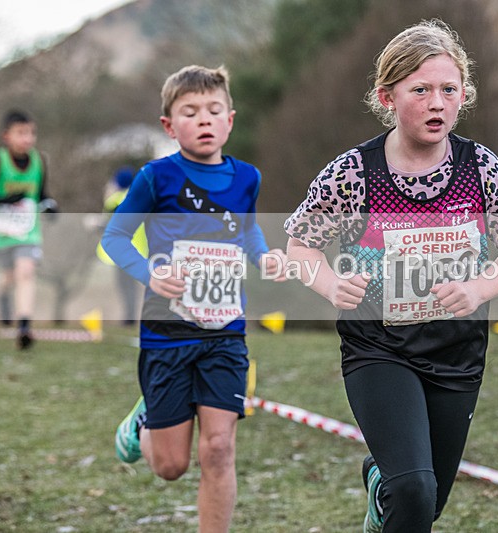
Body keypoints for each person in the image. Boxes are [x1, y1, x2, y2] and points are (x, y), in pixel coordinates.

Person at [284, 19, 498, 532]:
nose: (437, 103)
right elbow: (299, 247)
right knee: (414, 489)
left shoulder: (482, 169)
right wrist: (331, 283)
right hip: (379, 349)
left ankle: (383, 484)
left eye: (449, 90)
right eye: (420, 90)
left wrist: (478, 287)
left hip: (457, 353)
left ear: (464, 95)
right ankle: (393, 481)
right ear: (387, 96)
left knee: (423, 504)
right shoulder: (353, 173)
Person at [102, 65, 286, 533]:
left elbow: (246, 234)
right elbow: (115, 238)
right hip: (168, 334)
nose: (204, 119)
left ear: (230, 120)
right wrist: (150, 272)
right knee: (170, 466)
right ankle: (143, 420)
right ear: (169, 125)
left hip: (225, 333)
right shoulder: (155, 177)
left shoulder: (247, 178)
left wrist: (264, 259)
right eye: (190, 111)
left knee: (219, 448)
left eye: (213, 110)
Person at [0, 109, 58, 349]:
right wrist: (4, 199)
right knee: (9, 277)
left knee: (26, 271)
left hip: (28, 230)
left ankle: (24, 326)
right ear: (7, 136)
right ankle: (3, 295)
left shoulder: (39, 160)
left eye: (31, 133)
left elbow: (42, 195)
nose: (27, 138)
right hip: (2, 230)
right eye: (21, 133)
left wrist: (50, 207)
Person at [96, 165, 146, 325]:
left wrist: (95, 224)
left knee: (125, 286)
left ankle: (129, 317)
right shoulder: (136, 196)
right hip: (138, 248)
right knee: (131, 285)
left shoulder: (115, 199)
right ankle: (131, 316)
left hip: (122, 249)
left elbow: (111, 223)